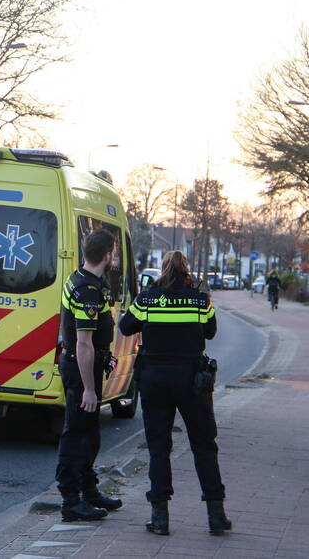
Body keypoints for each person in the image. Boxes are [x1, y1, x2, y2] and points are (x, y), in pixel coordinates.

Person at [119, 250, 231, 536]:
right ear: (186, 270)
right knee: (204, 445)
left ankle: (159, 518)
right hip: (192, 380)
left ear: (163, 269)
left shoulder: (147, 298)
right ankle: (216, 516)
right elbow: (210, 332)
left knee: (158, 448)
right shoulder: (200, 299)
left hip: (154, 378)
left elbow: (125, 326)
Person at [56, 228, 122, 521]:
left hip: (79, 366)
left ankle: (89, 491)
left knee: (90, 433)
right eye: (115, 251)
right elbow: (84, 343)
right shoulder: (88, 292)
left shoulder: (78, 278)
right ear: (107, 255)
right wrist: (89, 389)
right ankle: (71, 502)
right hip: (82, 369)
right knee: (77, 435)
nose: (116, 256)